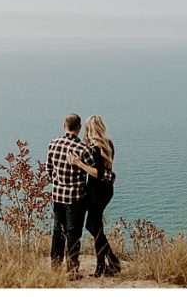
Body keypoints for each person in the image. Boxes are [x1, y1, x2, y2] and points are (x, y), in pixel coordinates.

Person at [68, 115, 122, 277]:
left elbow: (97, 173)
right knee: (94, 226)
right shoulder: (108, 144)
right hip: (106, 190)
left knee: (94, 227)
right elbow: (107, 170)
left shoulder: (95, 148)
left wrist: (79, 163)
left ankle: (105, 265)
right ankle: (110, 263)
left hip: (96, 192)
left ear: (90, 129)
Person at [46, 113, 96, 280]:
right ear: (79, 128)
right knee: (73, 234)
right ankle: (72, 271)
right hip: (75, 198)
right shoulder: (83, 150)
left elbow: (49, 169)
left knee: (57, 232)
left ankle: (54, 268)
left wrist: (57, 182)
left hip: (58, 196)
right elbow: (95, 171)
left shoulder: (53, 144)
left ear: (64, 125)